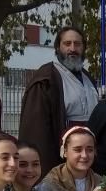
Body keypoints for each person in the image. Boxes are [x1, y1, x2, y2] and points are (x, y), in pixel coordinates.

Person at [20, 26, 99, 173]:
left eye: (77, 44)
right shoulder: (47, 78)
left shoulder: (88, 78)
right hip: (59, 159)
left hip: (86, 157)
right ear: (58, 47)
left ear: (83, 48)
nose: (72, 48)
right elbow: (37, 130)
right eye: (67, 44)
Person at [37, 126, 102, 191]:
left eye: (90, 150)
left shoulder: (100, 183)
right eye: (77, 150)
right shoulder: (50, 185)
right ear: (64, 152)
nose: (84, 155)